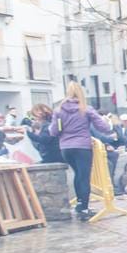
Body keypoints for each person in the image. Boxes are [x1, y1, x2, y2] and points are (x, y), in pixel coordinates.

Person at [49, 81, 111, 220]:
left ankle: (79, 203)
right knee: (84, 177)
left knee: (77, 174)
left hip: (65, 148)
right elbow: (104, 128)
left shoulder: (58, 110)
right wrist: (107, 122)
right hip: (83, 146)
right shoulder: (86, 109)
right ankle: (83, 208)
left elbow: (53, 131)